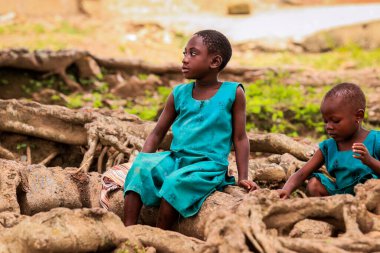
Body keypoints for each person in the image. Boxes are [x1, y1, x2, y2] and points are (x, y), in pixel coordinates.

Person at [123, 30, 259, 229]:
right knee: (140, 169)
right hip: (177, 159)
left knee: (174, 183)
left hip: (208, 166)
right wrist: (144, 160)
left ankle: (161, 235)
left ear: (214, 62)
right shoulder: (179, 93)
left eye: (193, 54)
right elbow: (157, 133)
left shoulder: (233, 92)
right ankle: (128, 231)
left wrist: (243, 177)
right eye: (184, 53)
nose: (185, 60)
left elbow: (240, 138)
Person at [278, 83, 380, 199]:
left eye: (335, 121)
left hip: (371, 196)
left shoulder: (375, 140)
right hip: (340, 198)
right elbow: (302, 173)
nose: (329, 127)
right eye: (326, 121)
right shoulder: (328, 147)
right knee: (314, 184)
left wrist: (370, 161)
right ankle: (325, 214)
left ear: (358, 116)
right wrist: (285, 190)